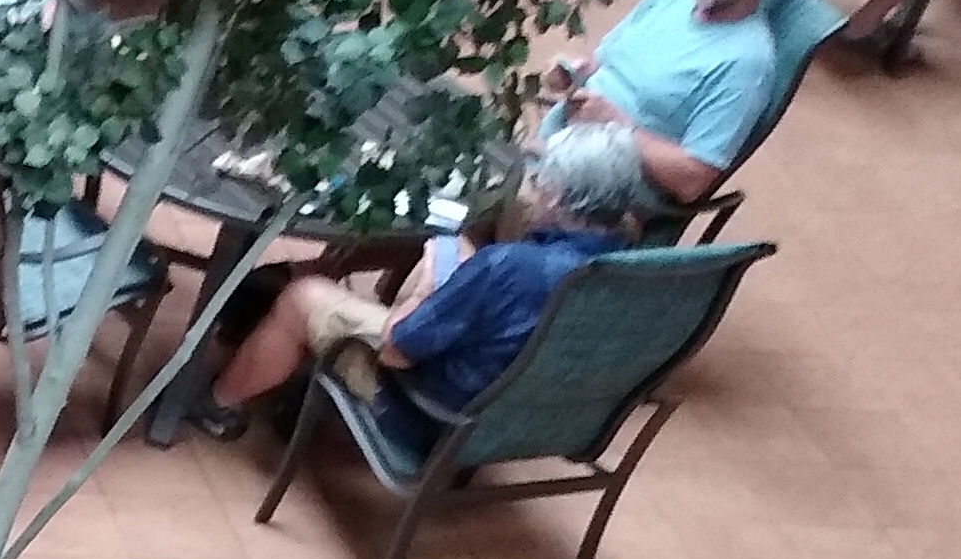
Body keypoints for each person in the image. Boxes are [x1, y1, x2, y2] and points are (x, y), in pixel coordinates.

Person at [170, 121, 651, 451]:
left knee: (303, 297)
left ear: (560, 196)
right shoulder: (632, 264)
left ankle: (216, 403)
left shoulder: (511, 267)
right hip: (524, 412)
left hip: (434, 411)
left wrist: (429, 288)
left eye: (542, 180)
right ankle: (277, 314)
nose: (537, 186)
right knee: (446, 246)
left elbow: (398, 350)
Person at [545, 0, 803, 217]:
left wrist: (617, 126)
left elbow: (693, 181)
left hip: (597, 199)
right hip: (555, 148)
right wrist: (574, 73)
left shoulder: (747, 65)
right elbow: (605, 64)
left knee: (502, 204)